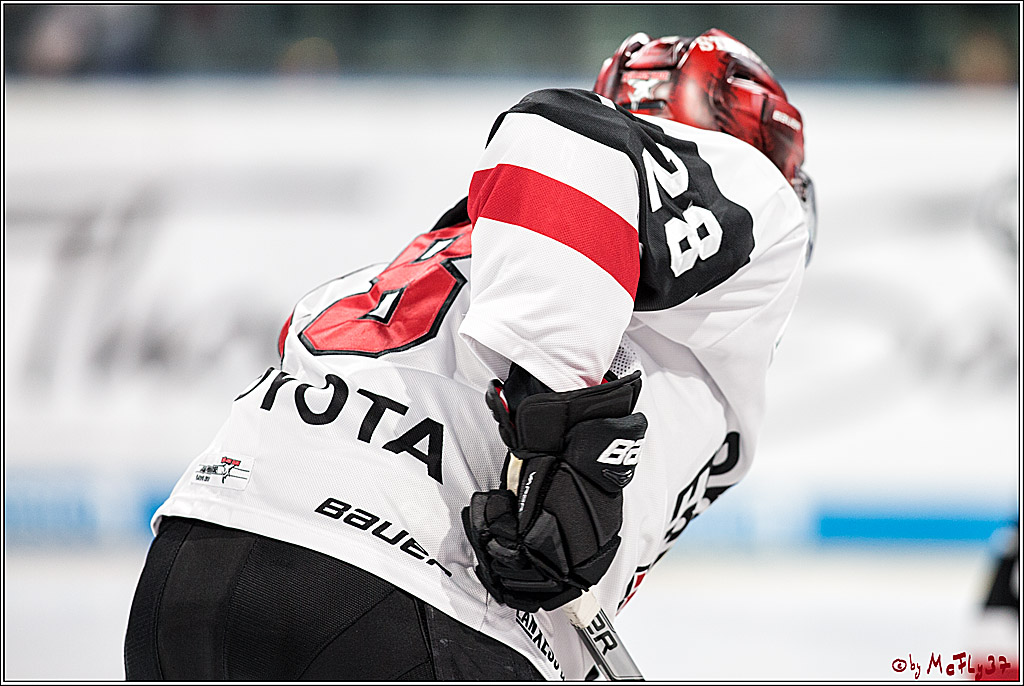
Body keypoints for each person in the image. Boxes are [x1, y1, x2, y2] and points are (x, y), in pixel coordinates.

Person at [124, 28, 816, 681]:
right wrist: (559, 433)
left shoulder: (470, 247)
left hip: (196, 561)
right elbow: (567, 130)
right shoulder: (756, 210)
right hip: (406, 584)